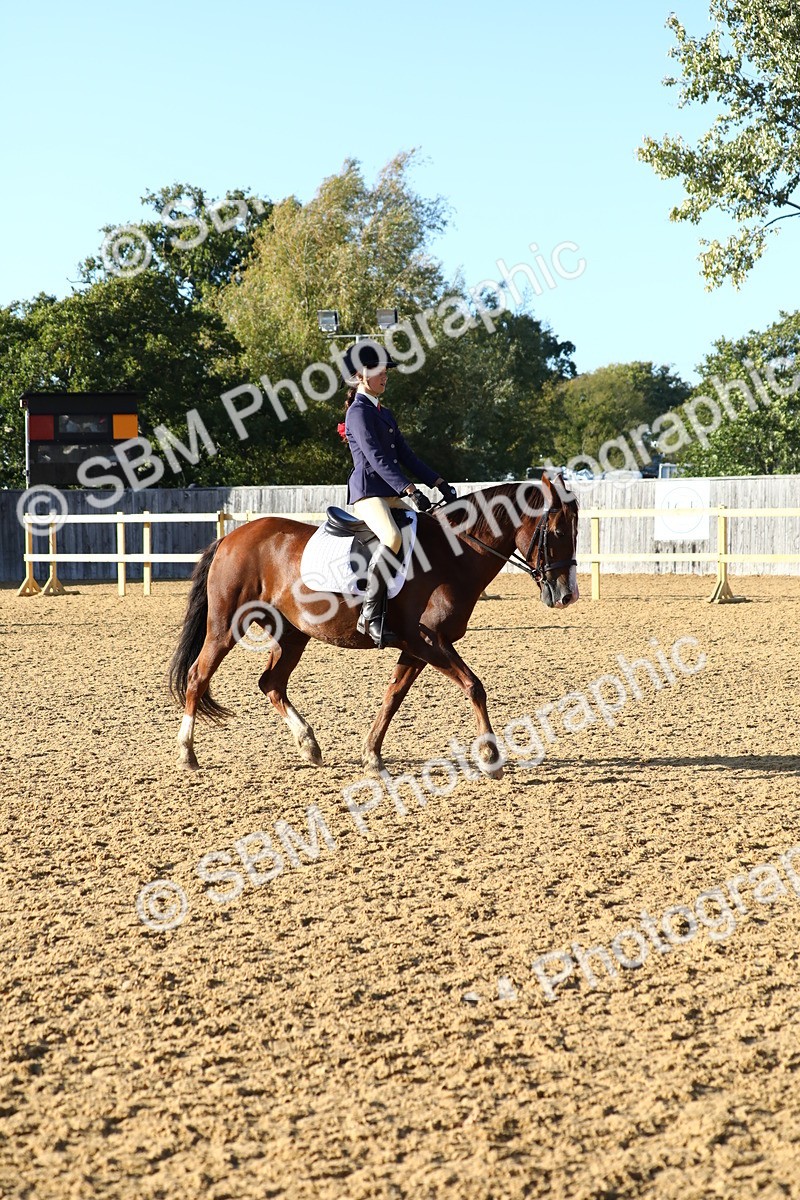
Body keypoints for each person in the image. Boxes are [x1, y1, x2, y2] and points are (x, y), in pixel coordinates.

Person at [339, 340, 457, 646]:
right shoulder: (358, 412)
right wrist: (408, 489)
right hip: (368, 492)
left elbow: (406, 455)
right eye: (379, 370)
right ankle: (369, 614)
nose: (385, 376)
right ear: (361, 375)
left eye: (386, 371)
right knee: (392, 537)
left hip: (389, 491)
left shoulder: (384, 413)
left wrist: (438, 481)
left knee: (424, 532)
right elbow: (375, 457)